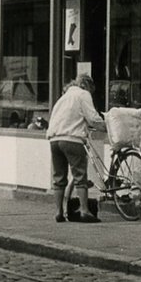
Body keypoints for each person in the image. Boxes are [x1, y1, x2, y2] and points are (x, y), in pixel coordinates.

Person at [45, 75, 105, 223]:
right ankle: (84, 210)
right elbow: (92, 118)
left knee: (59, 178)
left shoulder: (63, 98)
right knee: (80, 176)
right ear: (86, 85)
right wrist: (106, 126)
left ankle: (58, 212)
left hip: (54, 139)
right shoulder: (83, 94)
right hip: (72, 139)